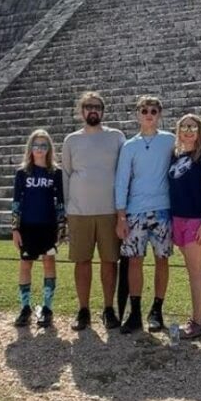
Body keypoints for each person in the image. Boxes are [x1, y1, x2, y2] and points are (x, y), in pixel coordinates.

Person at [60, 91, 126, 331]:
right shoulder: (71, 140)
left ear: (103, 111)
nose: (92, 110)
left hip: (109, 209)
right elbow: (66, 174)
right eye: (88, 106)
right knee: (82, 261)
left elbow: (124, 171)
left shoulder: (116, 137)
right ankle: (83, 309)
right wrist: (67, 208)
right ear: (81, 111)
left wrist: (122, 210)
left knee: (110, 261)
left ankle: (109, 308)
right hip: (79, 211)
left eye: (97, 106)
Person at [114, 95, 176, 334]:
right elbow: (121, 182)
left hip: (163, 209)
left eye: (153, 110)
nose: (148, 114)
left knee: (162, 259)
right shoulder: (129, 146)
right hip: (135, 210)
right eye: (144, 110)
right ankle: (136, 312)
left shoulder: (170, 140)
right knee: (135, 261)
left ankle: (157, 310)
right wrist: (121, 216)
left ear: (159, 114)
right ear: (137, 114)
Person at [169, 113, 201, 339]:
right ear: (179, 132)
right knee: (194, 270)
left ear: (199, 131)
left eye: (193, 127)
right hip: (179, 219)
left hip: (197, 220)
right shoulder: (176, 156)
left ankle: (198, 321)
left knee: (196, 270)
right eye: (184, 127)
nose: (188, 131)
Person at [11, 129, 65, 329]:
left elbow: (60, 202)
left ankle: (47, 307)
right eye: (36, 145)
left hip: (48, 226)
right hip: (27, 226)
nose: (40, 149)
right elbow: (16, 202)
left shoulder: (56, 172)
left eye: (44, 145)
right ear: (30, 148)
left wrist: (61, 227)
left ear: (49, 148)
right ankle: (25, 307)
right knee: (26, 265)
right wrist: (15, 228)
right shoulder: (23, 173)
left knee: (49, 263)